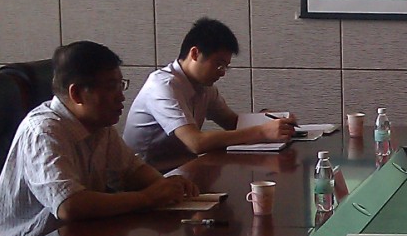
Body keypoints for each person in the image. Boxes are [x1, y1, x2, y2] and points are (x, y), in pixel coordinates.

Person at [0, 41, 199, 236]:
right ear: (77, 94)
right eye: (111, 87)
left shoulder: (99, 124)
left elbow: (132, 170)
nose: (121, 96)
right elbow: (69, 205)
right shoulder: (44, 131)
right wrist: (148, 198)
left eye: (121, 85)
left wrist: (165, 186)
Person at [123, 17, 293, 168]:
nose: (222, 72)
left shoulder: (205, 88)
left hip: (179, 171)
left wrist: (270, 120)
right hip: (145, 177)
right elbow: (195, 142)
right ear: (195, 53)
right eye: (219, 65)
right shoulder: (162, 86)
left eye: (225, 66)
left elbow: (233, 123)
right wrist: (262, 131)